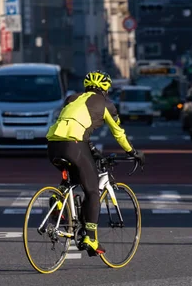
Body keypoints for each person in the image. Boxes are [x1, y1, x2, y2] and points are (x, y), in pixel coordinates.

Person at [46, 70, 145, 256]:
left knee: (72, 177)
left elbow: (72, 123)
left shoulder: (71, 98)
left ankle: (58, 200)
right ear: (106, 88)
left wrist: (92, 150)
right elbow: (118, 133)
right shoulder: (107, 104)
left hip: (53, 144)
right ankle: (90, 238)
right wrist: (132, 152)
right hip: (74, 144)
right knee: (92, 190)